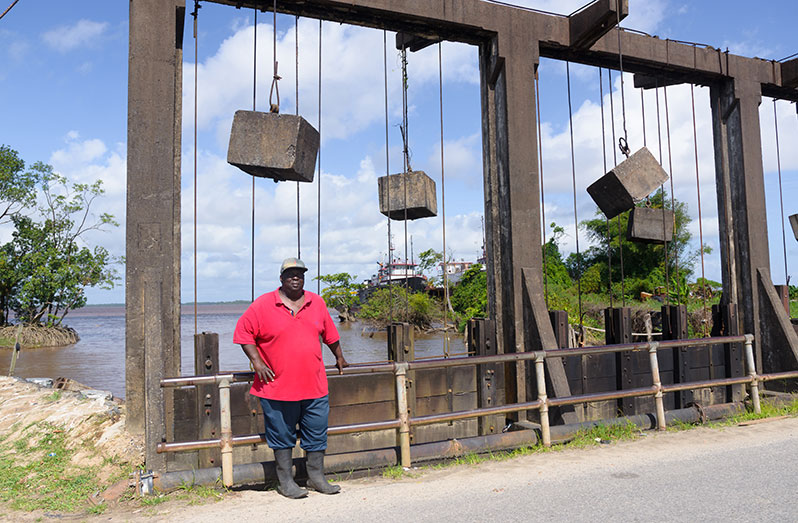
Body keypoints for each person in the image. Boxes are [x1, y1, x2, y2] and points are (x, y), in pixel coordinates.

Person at [233, 257, 349, 498]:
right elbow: (244, 333)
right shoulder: (263, 304)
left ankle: (316, 477)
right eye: (290, 274)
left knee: (317, 433)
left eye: (300, 274)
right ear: (281, 279)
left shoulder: (316, 302)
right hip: (276, 387)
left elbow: (330, 334)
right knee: (281, 437)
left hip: (314, 386)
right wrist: (257, 361)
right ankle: (286, 482)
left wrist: (339, 356)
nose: (296, 277)